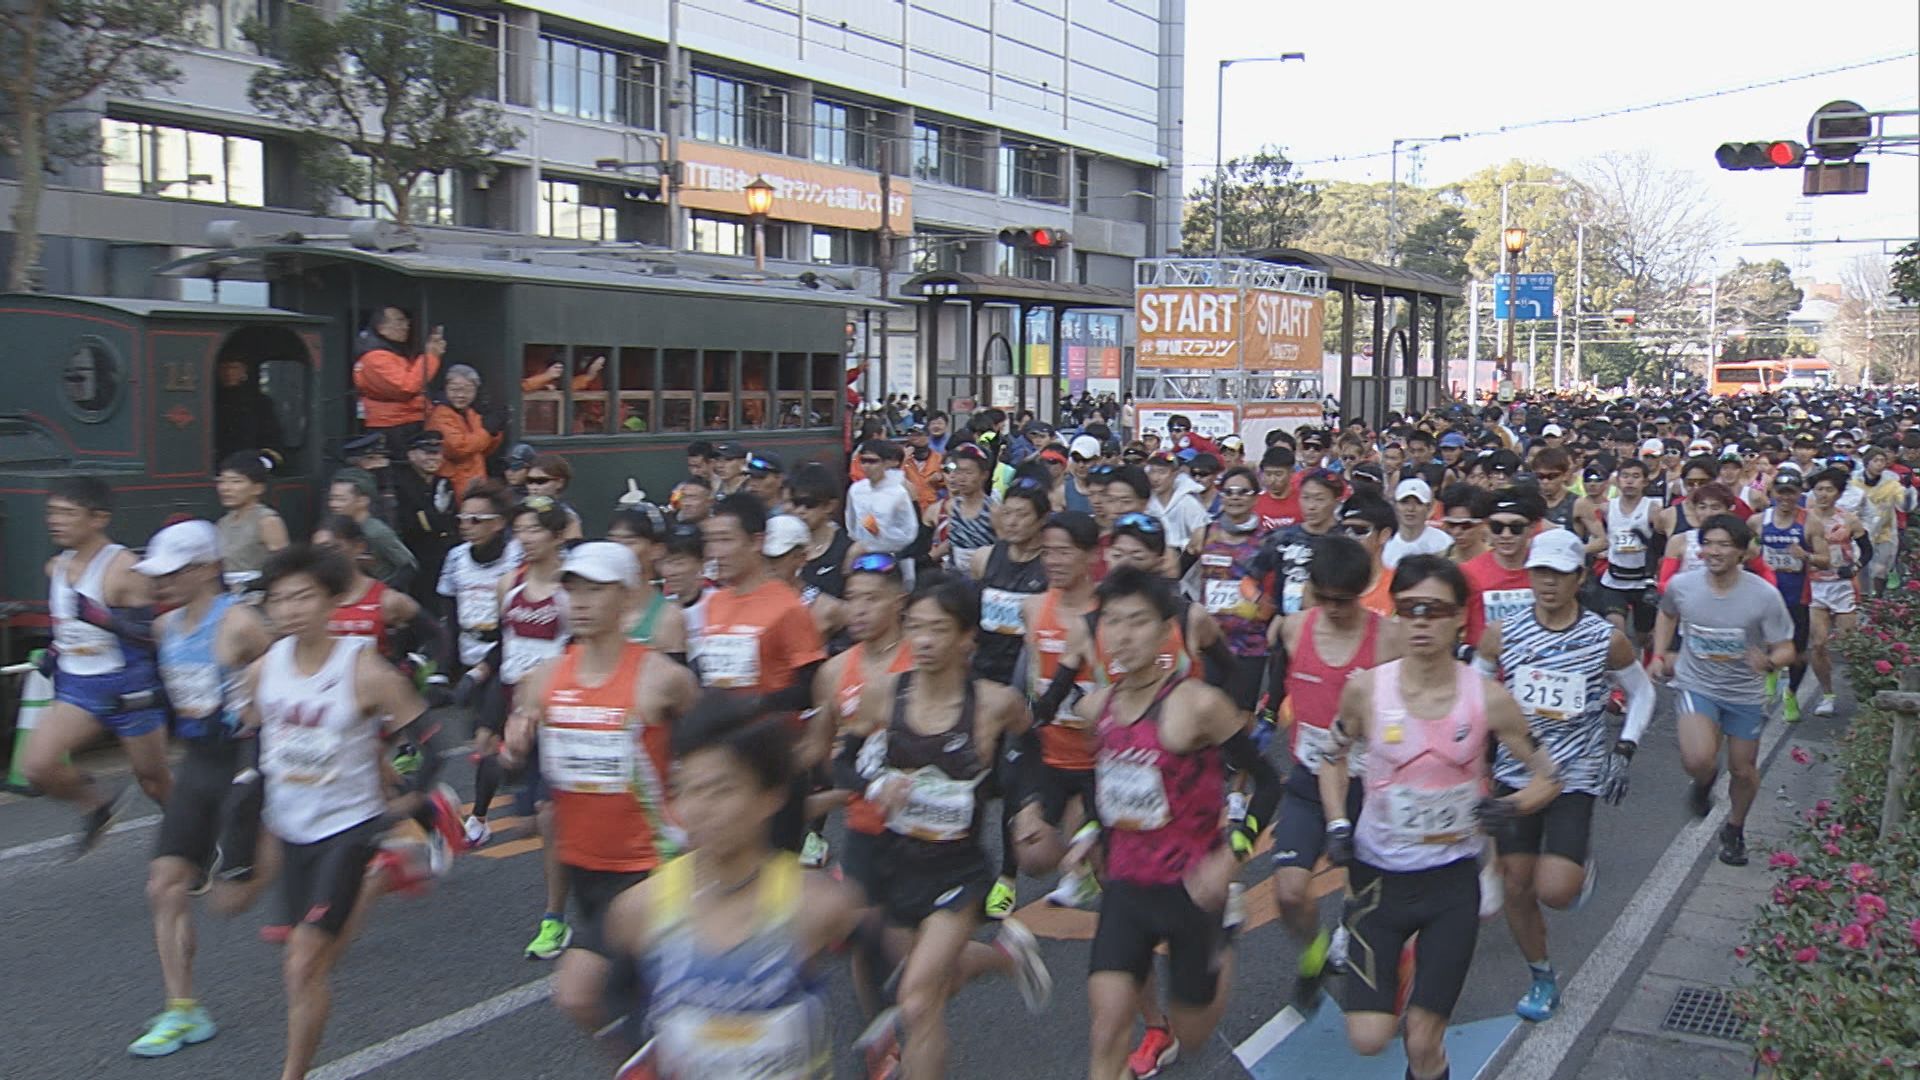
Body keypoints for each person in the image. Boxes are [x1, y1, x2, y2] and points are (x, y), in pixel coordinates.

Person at [1318, 555, 1560, 1080]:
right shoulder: (1366, 690)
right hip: (1376, 882)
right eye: (1409, 609)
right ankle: (1402, 964)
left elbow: (1548, 776)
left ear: (1458, 619)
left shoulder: (1488, 698)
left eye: (1434, 610)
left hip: (1450, 883)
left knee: (1423, 1041)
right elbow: (1331, 759)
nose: (1421, 622)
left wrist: (1510, 806)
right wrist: (1337, 823)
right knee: (1368, 1039)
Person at [243, 543, 463, 1080]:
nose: (291, 609)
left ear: (331, 601)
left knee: (302, 963)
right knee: (316, 961)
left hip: (348, 829)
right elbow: (249, 740)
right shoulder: (263, 669)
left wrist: (412, 797)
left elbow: (432, 746)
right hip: (291, 829)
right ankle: (395, 865)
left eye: (303, 597)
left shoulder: (365, 670)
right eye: (279, 600)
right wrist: (244, 800)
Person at [1079, 567, 1281, 1080]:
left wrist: (1231, 857)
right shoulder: (1097, 709)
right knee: (1106, 1032)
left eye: (1137, 622)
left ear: (1166, 629)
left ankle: (1223, 943)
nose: (1123, 636)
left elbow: (1267, 783)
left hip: (1191, 891)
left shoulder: (1197, 705)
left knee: (1192, 1034)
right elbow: (1102, 785)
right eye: (1112, 622)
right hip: (1126, 888)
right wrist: (1091, 835)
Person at [845, 579, 1052, 1080]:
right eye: (915, 627)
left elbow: (1031, 748)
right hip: (897, 864)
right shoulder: (883, 696)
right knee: (940, 981)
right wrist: (875, 785)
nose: (924, 641)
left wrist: (1028, 805)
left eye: (938, 629)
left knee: (918, 1002)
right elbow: (841, 762)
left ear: (966, 638)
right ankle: (1004, 956)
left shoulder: (995, 702)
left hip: (959, 871)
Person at [604, 694, 865, 1080]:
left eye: (721, 790)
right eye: (688, 790)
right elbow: (616, 1005)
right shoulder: (638, 910)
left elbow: (892, 970)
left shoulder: (820, 906)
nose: (702, 809)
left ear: (770, 796)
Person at [502, 541, 699, 1052]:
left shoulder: (661, 678)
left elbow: (711, 744)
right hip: (585, 866)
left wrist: (698, 808)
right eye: (573, 590)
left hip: (653, 865)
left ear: (627, 597)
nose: (582, 602)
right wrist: (514, 745)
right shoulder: (544, 678)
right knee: (620, 1004)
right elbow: (517, 753)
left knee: (581, 992)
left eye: (596, 590)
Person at [1477, 530, 1654, 1022]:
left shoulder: (1604, 639)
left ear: (1579, 577)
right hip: (1516, 772)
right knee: (1516, 885)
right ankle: (1541, 976)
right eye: (1540, 572)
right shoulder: (1503, 632)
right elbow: (1476, 685)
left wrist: (1625, 748)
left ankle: (1577, 867)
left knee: (1555, 891)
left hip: (1576, 774)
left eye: (1559, 573)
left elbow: (1643, 693)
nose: (1548, 583)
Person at [129, 520, 274, 1058]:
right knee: (163, 884)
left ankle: (319, 849)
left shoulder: (240, 624)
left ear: (209, 568)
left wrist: (252, 715)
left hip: (246, 764)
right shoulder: (164, 627)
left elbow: (290, 681)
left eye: (173, 572)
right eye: (157, 574)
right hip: (198, 766)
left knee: (231, 902)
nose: (161, 583)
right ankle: (183, 1009)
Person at [1267, 535, 1399, 1014]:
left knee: (1369, 901)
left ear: (1362, 591)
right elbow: (1277, 688)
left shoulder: (1389, 639)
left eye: (1342, 600)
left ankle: (1380, 974)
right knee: (1288, 892)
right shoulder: (1292, 629)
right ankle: (1315, 953)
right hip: (1309, 778)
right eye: (1322, 598)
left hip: (1369, 784)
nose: (1332, 609)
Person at [22, 476, 170, 854]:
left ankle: (191, 836)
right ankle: (97, 806)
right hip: (79, 686)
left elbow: (154, 637)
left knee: (153, 781)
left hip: (129, 685)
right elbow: (67, 626)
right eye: (52, 512)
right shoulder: (55, 566)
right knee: (37, 766)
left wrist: (105, 621)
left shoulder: (124, 569)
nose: (56, 521)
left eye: (67, 513)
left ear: (98, 518)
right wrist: (56, 650)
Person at [1651, 514, 1796, 867]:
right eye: (1708, 544)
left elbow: (1787, 648)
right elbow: (1667, 613)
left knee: (1743, 769)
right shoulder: (1683, 585)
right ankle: (1704, 783)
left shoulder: (1764, 596)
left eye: (1724, 545)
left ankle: (1735, 828)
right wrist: (1659, 653)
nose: (1714, 552)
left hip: (1744, 693)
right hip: (1696, 683)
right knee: (1699, 759)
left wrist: (1769, 662)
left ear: (1742, 552)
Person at [488, 497, 575, 958]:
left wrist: (538, 705)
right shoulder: (509, 584)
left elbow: (579, 654)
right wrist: (496, 715)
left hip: (562, 714)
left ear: (558, 535)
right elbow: (503, 651)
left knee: (548, 814)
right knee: (532, 823)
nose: (525, 538)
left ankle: (554, 917)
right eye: (519, 529)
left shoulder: (573, 590)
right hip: (518, 710)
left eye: (535, 529)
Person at [1189, 466, 1274, 722]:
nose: (1235, 497)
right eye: (1229, 491)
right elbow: (1174, 571)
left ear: (1256, 497)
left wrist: (1262, 607)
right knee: (1206, 714)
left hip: (1250, 642)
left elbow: (1276, 592)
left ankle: (1241, 751)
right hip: (1211, 641)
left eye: (1243, 492)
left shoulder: (1268, 540)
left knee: (1241, 716)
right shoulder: (1205, 533)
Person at [1750, 471, 1812, 720]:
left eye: (1792, 493)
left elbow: (1826, 559)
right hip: (1766, 595)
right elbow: (1746, 552)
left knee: (1797, 653)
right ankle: (1768, 679)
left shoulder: (1810, 522)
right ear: (1773, 493)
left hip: (1798, 596)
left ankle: (1791, 693)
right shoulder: (1757, 521)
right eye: (1781, 492)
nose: (1786, 498)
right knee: (1764, 644)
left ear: (1799, 494)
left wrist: (1806, 556)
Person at [1804, 468, 1865, 716]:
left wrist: (1854, 568)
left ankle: (1865, 691)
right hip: (1814, 586)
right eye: (1819, 489)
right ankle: (1827, 695)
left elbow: (1867, 550)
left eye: (1829, 489)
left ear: (1838, 493)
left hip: (1842, 586)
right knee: (1818, 644)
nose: (1823, 494)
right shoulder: (1804, 519)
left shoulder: (1849, 520)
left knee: (1850, 643)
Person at [352, 305, 445, 451]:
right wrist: (431, 356)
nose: (406, 326)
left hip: (401, 421)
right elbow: (406, 387)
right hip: (394, 426)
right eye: (399, 321)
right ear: (381, 328)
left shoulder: (390, 353)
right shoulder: (376, 357)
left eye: (406, 321)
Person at [1461, 487, 1544, 647]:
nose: (1506, 535)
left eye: (1516, 527)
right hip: (1483, 657)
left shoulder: (1546, 572)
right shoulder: (1467, 573)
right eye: (1497, 527)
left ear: (1532, 528)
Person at [1589, 456, 1659, 643]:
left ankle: (1641, 658)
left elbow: (1661, 544)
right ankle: (1623, 659)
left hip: (1642, 582)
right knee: (1616, 627)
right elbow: (1598, 536)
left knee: (1643, 636)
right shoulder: (1606, 509)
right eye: (1625, 476)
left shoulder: (1653, 510)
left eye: (1635, 476)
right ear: (1617, 480)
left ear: (1645, 482)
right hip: (1614, 581)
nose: (1629, 481)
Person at [328, 468, 418, 589]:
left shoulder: (376, 532)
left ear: (362, 501)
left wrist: (383, 590)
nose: (334, 505)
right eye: (332, 499)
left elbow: (409, 566)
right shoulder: (336, 530)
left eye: (341, 499)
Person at [214, 450, 290, 591]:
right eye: (222, 481)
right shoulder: (222, 523)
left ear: (257, 488)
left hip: (256, 593)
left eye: (236, 481)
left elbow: (283, 565)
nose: (225, 488)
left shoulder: (267, 520)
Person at [427, 364, 504, 498]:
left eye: (468, 390)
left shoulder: (471, 413)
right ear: (446, 389)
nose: (461, 395)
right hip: (454, 481)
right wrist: (486, 432)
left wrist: (495, 434)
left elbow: (483, 450)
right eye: (454, 389)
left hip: (476, 479)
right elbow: (458, 448)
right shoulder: (440, 414)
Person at [846, 440, 919, 576]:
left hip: (893, 559)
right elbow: (851, 525)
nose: (866, 466)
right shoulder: (856, 490)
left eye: (872, 461)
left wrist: (873, 542)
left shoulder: (900, 492)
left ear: (888, 462)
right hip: (861, 559)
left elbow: (909, 533)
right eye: (863, 461)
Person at [929, 444, 997, 578]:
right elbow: (953, 541)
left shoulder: (994, 511)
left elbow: (1003, 549)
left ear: (984, 475)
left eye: (968, 473)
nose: (961, 478)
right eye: (958, 472)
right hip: (954, 576)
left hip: (983, 576)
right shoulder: (951, 506)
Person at [214, 356, 285, 463]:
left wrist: (260, 466)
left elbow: (273, 446)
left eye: (234, 367)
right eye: (223, 368)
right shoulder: (210, 401)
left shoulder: (260, 403)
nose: (228, 372)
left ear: (244, 371)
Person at [1145, 451, 1211, 554]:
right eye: (1152, 471)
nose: (1155, 478)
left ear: (1174, 474)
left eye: (1162, 472)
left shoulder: (1188, 503)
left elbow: (1199, 538)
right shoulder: (1146, 502)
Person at [1383, 478, 1451, 569]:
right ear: (1395, 505)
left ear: (1428, 507)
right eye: (1404, 502)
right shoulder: (1385, 543)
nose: (1410, 509)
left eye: (1418, 503)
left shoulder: (1444, 543)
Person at [525, 454, 587, 540]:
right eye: (530, 481)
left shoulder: (568, 517)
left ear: (560, 483)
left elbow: (571, 544)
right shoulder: (520, 508)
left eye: (541, 481)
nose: (534, 487)